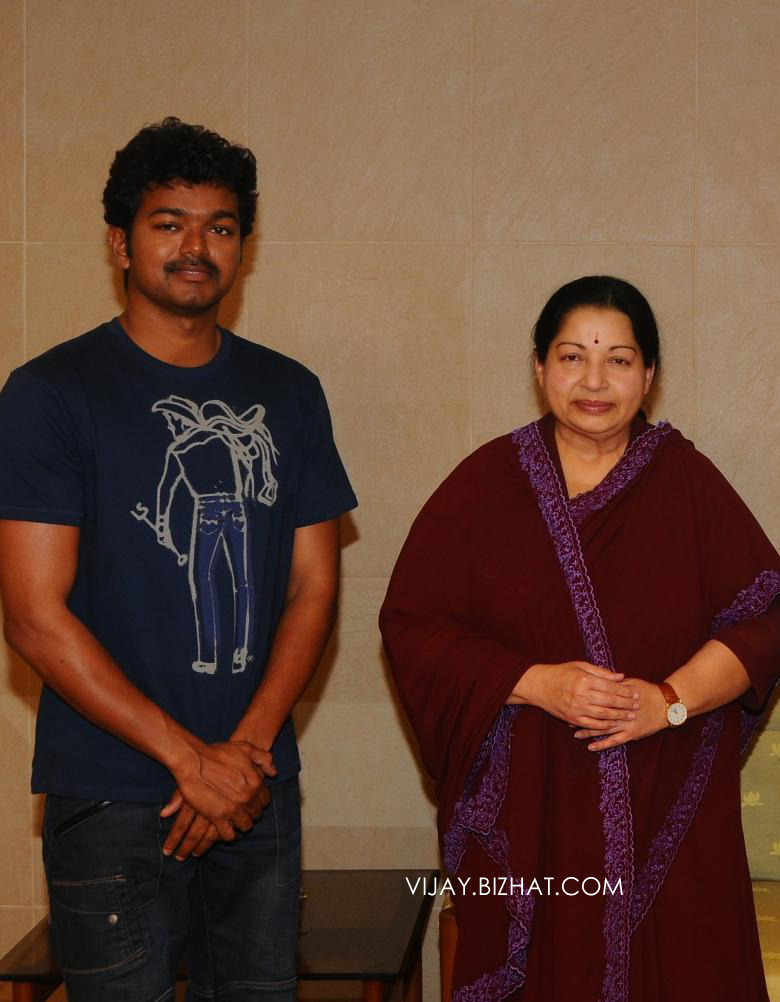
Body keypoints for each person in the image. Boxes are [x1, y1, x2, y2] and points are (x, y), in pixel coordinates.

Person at [0, 117, 357, 1002]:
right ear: (121, 243)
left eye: (220, 226)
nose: (196, 246)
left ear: (243, 247)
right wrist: (188, 761)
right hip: (110, 793)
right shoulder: (50, 394)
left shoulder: (289, 393)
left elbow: (314, 589)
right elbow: (33, 617)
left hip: (255, 788)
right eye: (169, 223)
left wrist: (241, 753)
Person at [379, 275, 780, 1002]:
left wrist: (669, 701)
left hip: (667, 800)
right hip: (534, 810)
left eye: (619, 360)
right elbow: (412, 625)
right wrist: (538, 682)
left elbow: (766, 617)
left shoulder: (688, 484)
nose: (594, 381)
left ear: (649, 375)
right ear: (539, 368)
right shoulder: (485, 485)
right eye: (572, 357)